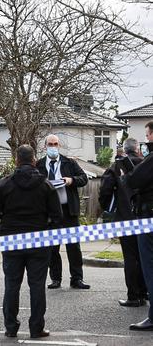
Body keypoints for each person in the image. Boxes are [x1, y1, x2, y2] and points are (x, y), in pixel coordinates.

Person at [0, 145, 63, 339]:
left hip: (11, 238)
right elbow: (57, 215)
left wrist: (8, 215)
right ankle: (36, 328)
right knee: (37, 285)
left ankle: (11, 327)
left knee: (12, 284)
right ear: (34, 160)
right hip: (38, 239)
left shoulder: (4, 184)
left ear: (17, 160)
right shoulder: (46, 185)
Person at [36, 134, 90, 290]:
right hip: (50, 213)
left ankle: (77, 278)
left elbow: (83, 178)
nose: (53, 147)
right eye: (50, 144)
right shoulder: (39, 165)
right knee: (52, 248)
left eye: (56, 144)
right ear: (45, 146)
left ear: (59, 146)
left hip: (68, 211)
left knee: (74, 247)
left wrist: (71, 180)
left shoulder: (69, 163)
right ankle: (56, 279)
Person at [99, 138, 147, 307]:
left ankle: (133, 296)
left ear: (124, 150)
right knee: (145, 257)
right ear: (137, 149)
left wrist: (110, 208)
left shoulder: (116, 167)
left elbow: (104, 190)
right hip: (144, 217)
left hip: (125, 218)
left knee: (130, 257)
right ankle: (145, 291)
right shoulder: (145, 164)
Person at [126, 121, 153, 331]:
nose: (146, 140)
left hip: (149, 217)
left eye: (147, 135)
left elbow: (134, 179)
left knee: (150, 267)